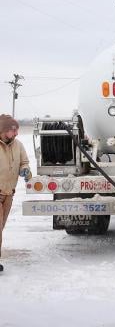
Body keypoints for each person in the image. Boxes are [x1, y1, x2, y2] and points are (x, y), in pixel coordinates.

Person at [0, 114, 31, 272]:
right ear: (4, 130)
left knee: (1, 227)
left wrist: (25, 170)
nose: (17, 133)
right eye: (14, 130)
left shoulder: (18, 145)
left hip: (9, 194)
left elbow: (24, 162)